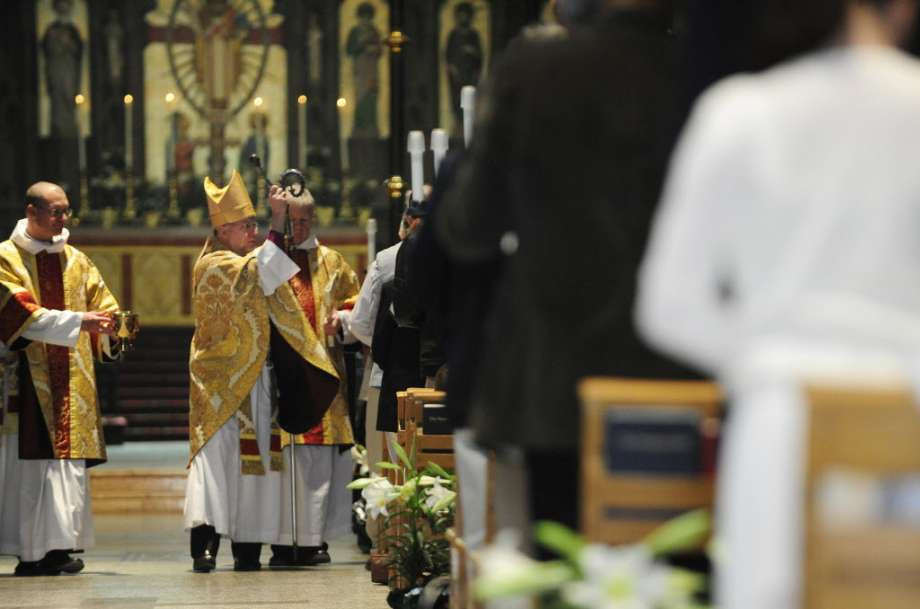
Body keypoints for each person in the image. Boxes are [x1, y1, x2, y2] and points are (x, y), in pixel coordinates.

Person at [636, 2, 920, 608]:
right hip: (907, 406)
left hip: (781, 413)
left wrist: (770, 358)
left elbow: (668, 304)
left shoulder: (741, 113)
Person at [436, 0, 698, 535]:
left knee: (562, 566)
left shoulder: (535, 69)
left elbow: (468, 228)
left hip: (553, 380)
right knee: (671, 560)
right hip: (678, 373)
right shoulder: (704, 71)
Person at [184, 170, 340, 572]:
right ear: (222, 230)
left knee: (256, 466)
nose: (252, 233)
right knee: (216, 467)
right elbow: (263, 271)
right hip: (218, 387)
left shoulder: (248, 258)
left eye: (254, 225)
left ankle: (248, 548)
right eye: (245, 225)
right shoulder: (212, 264)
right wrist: (275, 220)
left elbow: (277, 285)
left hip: (257, 381)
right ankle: (204, 546)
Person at [0, 181, 121, 575]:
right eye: (55, 211)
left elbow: (103, 304)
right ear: (31, 211)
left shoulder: (76, 260)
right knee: (33, 471)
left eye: (67, 210)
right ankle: (31, 551)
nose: (63, 219)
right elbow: (19, 315)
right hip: (27, 380)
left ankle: (58, 547)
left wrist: (113, 329)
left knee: (64, 471)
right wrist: (81, 321)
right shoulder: (6, 258)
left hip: (72, 379)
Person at [268, 188, 360, 567]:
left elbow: (357, 305)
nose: (299, 226)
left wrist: (342, 321)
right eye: (292, 220)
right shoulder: (271, 261)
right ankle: (281, 540)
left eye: (305, 219)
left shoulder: (333, 263)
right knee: (285, 462)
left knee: (319, 465)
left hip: (324, 375)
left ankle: (312, 539)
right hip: (283, 376)